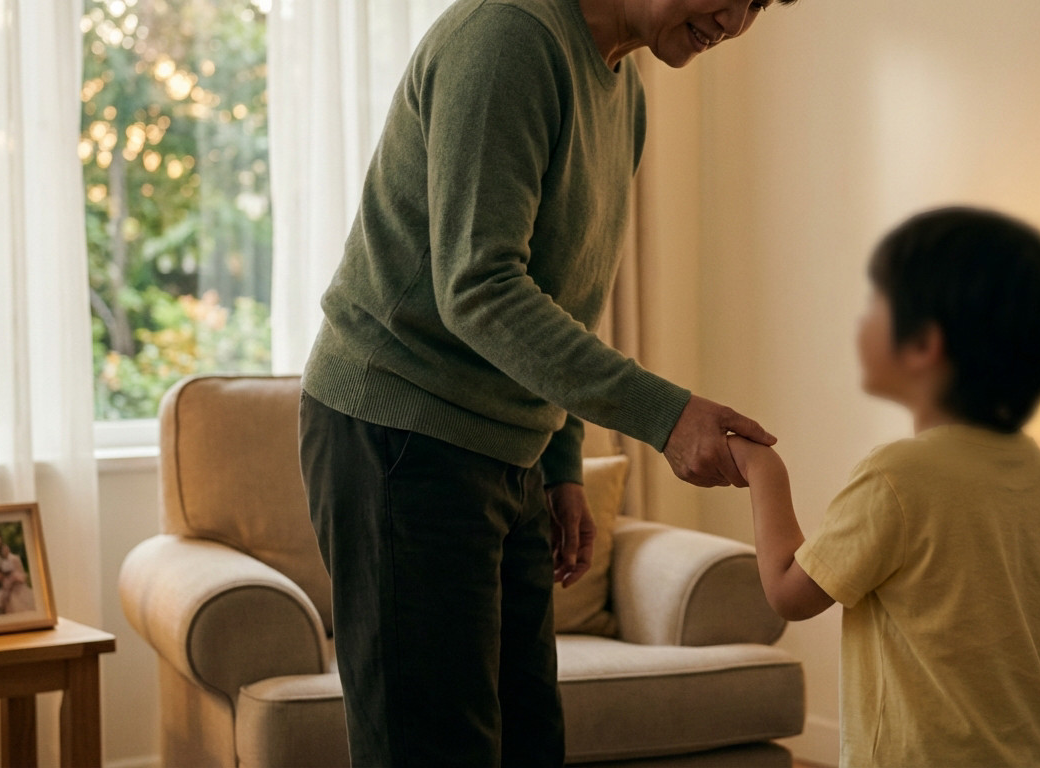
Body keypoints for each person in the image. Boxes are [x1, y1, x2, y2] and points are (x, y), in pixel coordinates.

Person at [297, 0, 795, 765]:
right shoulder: (507, 39)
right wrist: (667, 416)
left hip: (510, 455)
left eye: (760, 3)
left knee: (529, 741)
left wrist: (562, 464)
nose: (735, 20)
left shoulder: (623, 93)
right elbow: (479, 288)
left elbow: (561, 301)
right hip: (402, 437)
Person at [727, 206, 1040, 767]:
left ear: (923, 345)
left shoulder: (896, 475)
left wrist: (763, 471)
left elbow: (787, 593)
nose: (861, 318)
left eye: (877, 301)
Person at [0, 543, 36, 614]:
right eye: (3, 550)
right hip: (6, 583)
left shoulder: (14, 558)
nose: (5, 550)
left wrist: (14, 578)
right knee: (2, 599)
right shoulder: (1, 561)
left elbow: (21, 573)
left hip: (17, 584)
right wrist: (3, 579)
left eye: (6, 548)